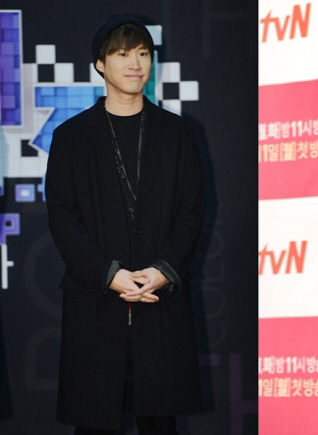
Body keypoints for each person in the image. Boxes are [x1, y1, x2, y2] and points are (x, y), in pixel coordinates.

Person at [45, 14, 204, 434]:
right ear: (100, 64)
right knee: (93, 421)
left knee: (160, 420)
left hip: (160, 298)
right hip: (95, 300)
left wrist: (164, 270)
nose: (135, 64)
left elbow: (192, 211)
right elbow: (62, 217)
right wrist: (108, 274)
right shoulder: (70, 137)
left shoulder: (178, 133)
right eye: (122, 54)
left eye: (143, 54)